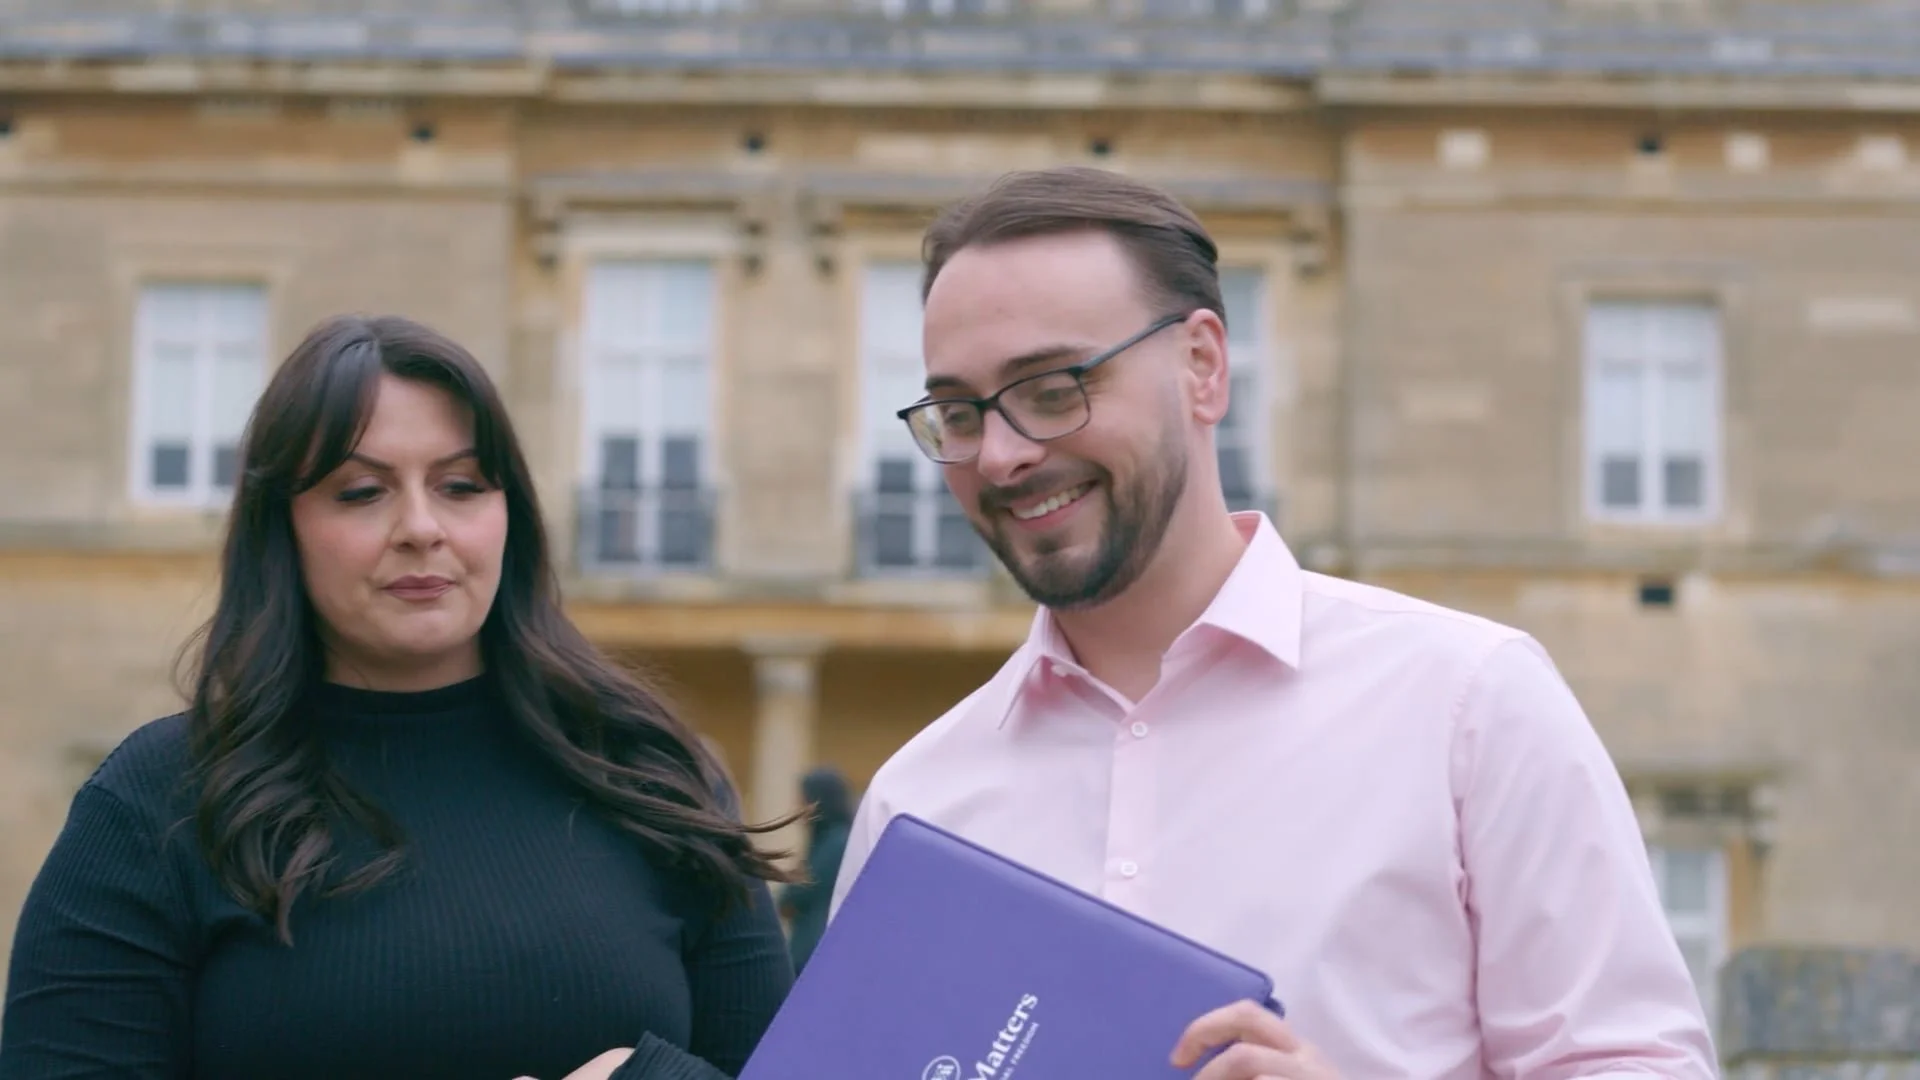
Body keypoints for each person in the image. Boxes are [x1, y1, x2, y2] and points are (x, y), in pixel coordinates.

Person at [826, 166, 1720, 1079]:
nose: (1005, 455)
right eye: (961, 413)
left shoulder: (1466, 704)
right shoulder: (915, 806)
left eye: (1054, 388)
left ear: (1203, 366)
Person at [0, 315, 799, 1080]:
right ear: (283, 531)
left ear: (509, 517)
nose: (421, 527)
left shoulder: (654, 779)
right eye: (360, 492)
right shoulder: (157, 803)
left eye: (461, 485)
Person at [775, 767, 853, 974]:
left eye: (803, 801)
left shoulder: (836, 843)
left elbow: (793, 896)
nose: (797, 808)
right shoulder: (824, 842)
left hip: (814, 956)